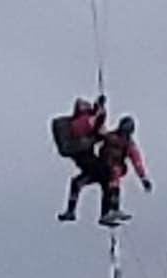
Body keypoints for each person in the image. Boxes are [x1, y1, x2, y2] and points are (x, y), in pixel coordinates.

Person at [56, 95, 109, 223]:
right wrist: (101, 109)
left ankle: (71, 211)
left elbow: (96, 121)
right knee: (106, 176)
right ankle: (107, 212)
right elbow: (95, 121)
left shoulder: (79, 122)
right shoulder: (81, 122)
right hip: (87, 158)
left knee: (80, 181)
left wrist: (99, 106)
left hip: (83, 159)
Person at [96, 115, 152, 226]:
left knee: (113, 180)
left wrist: (143, 178)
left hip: (112, 169)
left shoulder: (128, 144)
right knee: (112, 179)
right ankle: (110, 211)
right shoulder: (110, 137)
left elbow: (136, 161)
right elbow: (98, 134)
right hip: (103, 166)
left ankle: (111, 211)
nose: (124, 134)